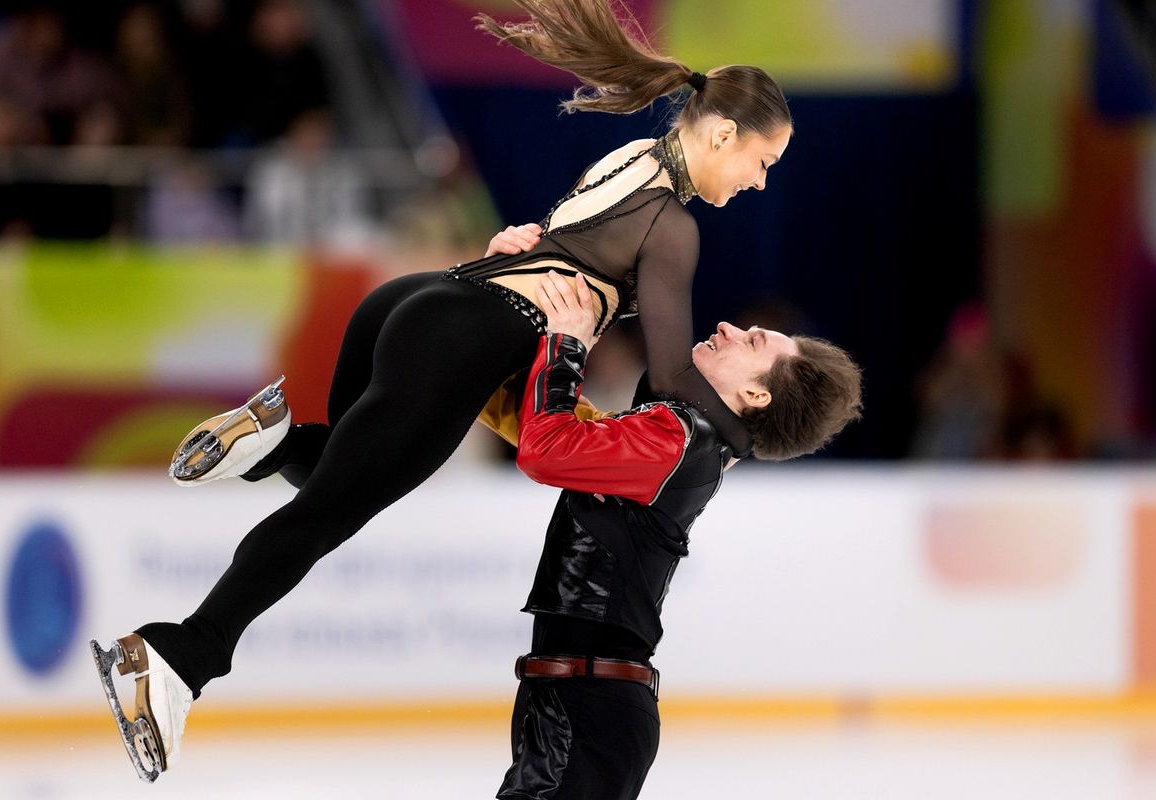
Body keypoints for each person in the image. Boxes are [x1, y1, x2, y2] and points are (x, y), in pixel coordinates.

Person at [91, 0, 796, 782]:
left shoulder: (631, 157)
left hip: (422, 298)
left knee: (338, 474)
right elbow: (665, 384)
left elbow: (553, 242)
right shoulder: (675, 226)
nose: (761, 183)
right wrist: (731, 437)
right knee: (326, 515)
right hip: (465, 337)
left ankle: (279, 440)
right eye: (763, 163)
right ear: (724, 135)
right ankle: (177, 657)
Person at [495, 271, 861, 798]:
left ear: (756, 393)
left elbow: (544, 450)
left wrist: (568, 342)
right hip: (576, 698)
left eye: (752, 341)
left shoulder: (683, 439)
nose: (729, 328)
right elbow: (555, 430)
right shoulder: (690, 437)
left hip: (588, 705)